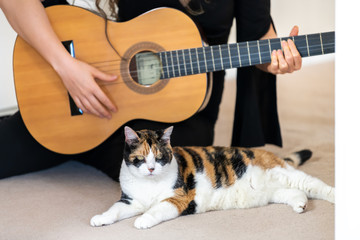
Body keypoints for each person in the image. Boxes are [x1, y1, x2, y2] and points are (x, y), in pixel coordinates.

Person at [0, 0, 302, 180]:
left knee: (173, 171)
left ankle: (84, 144)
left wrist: (277, 62)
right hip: (93, 79)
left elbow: (261, 37)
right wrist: (66, 67)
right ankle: (74, 136)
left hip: (181, 108)